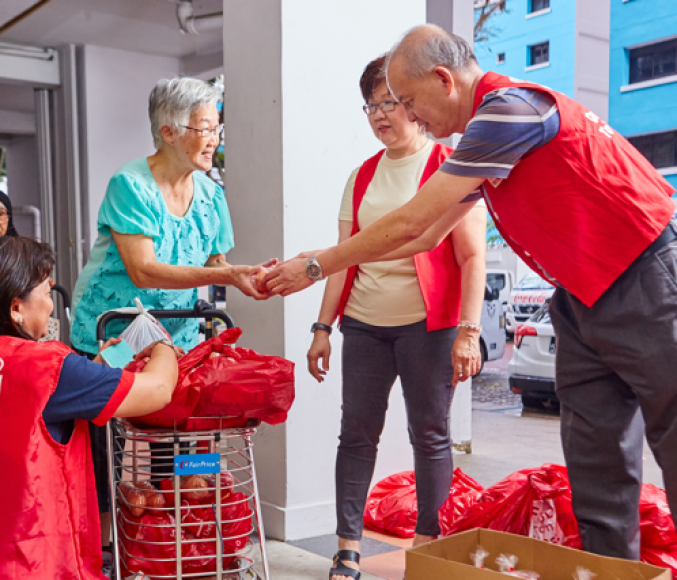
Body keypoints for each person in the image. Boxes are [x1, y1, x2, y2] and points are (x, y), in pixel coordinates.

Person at [265, 24, 677, 561]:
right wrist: (314, 262)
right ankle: (607, 573)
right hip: (578, 296)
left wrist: (318, 265)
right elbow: (431, 234)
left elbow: (414, 221)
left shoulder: (510, 111)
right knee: (597, 470)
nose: (410, 116)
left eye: (410, 101)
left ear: (444, 79)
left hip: (646, 275)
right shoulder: (479, 141)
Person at [69, 76, 275, 556]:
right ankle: (105, 552)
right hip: (112, 334)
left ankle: (173, 549)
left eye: (217, 127)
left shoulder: (210, 193)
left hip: (174, 338)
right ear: (169, 131)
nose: (215, 138)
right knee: (108, 449)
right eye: (206, 127)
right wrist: (226, 276)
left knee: (174, 444)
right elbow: (143, 271)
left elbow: (216, 264)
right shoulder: (130, 184)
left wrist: (246, 276)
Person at [0, 236, 179, 579]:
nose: (49, 305)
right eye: (47, 293)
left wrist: (92, 367)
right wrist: (163, 344)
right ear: (16, 307)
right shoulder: (44, 366)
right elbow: (159, 390)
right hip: (22, 565)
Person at [306, 55, 485, 580]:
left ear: (413, 103)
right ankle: (347, 548)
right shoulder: (360, 176)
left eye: (389, 102)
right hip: (363, 325)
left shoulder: (448, 166)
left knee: (430, 434)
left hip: (430, 328)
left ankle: (426, 549)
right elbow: (343, 256)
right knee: (356, 434)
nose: (380, 115)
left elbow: (472, 257)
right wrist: (322, 327)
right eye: (371, 106)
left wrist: (468, 333)